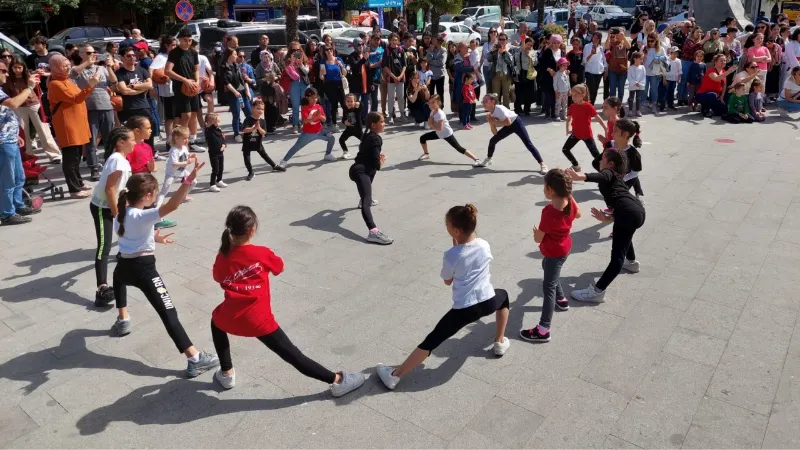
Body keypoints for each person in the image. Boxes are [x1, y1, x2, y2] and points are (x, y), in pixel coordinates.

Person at [211, 204, 366, 393]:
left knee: (215, 323)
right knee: (293, 355)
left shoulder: (223, 256)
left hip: (229, 317)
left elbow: (218, 277)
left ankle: (226, 373)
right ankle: (337, 380)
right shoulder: (261, 253)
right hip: (259, 321)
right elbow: (279, 267)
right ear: (252, 230)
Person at [376, 204, 511, 390]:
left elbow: (448, 281)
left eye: (447, 226)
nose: (446, 229)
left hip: (465, 309)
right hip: (488, 300)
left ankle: (395, 375)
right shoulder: (484, 244)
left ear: (456, 230)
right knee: (504, 297)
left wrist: (455, 251)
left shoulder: (451, 254)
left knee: (432, 340)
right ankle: (499, 342)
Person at [112, 169, 220, 378]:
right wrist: (187, 182)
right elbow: (172, 205)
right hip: (145, 270)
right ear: (147, 196)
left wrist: (155, 238)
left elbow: (132, 234)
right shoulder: (143, 215)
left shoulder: (121, 214)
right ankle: (194, 358)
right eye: (154, 193)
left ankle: (123, 318)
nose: (155, 197)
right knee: (168, 311)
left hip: (125, 265)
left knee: (118, 280)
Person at [566, 150, 644, 304]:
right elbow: (618, 200)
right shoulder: (616, 178)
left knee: (616, 258)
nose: (600, 161)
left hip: (628, 212)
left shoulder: (609, 173)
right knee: (624, 234)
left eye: (602, 159)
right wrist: (608, 217)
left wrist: (580, 177)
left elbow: (603, 176)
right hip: (634, 210)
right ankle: (632, 263)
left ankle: (597, 291)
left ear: (611, 164)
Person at [519, 169, 580, 342]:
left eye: (544, 186)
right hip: (565, 247)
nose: (543, 189)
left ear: (550, 190)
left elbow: (539, 238)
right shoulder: (569, 202)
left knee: (548, 287)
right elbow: (579, 214)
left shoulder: (549, 212)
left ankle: (543, 329)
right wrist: (570, 196)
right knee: (548, 268)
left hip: (554, 252)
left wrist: (536, 233)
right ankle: (561, 300)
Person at [89, 127, 133, 307]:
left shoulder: (120, 159)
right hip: (102, 207)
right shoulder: (117, 161)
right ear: (120, 142)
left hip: (113, 205)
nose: (135, 142)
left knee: (121, 236)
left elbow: (119, 188)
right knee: (104, 246)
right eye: (131, 139)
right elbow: (109, 189)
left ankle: (124, 259)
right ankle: (102, 288)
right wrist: (117, 215)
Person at [48, 54, 100, 198]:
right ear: (56, 67)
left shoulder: (67, 80)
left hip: (76, 122)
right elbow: (76, 98)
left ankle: (78, 182)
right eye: (64, 65)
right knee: (70, 158)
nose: (68, 67)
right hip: (67, 124)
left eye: (67, 64)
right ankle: (73, 189)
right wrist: (90, 85)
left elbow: (79, 96)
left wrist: (90, 85)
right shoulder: (55, 84)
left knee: (76, 156)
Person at [0, 58, 40, 226]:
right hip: (4, 143)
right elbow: (14, 103)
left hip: (9, 139)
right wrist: (29, 87)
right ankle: (7, 213)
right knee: (7, 179)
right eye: (3, 70)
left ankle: (17, 205)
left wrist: (15, 133)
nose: (6, 73)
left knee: (18, 176)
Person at [3, 57, 61, 164]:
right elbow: (8, 96)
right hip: (19, 107)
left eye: (19, 67)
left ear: (23, 67)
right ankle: (28, 157)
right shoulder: (8, 80)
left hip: (34, 105)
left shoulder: (29, 77)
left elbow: (38, 87)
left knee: (43, 130)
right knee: (23, 133)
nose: (17, 70)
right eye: (15, 67)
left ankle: (54, 155)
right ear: (11, 68)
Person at [69, 45, 116, 176]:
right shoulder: (78, 69)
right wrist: (87, 63)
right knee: (91, 140)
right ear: (82, 54)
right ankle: (93, 168)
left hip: (106, 105)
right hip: (89, 107)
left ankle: (109, 164)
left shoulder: (101, 68)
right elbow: (72, 74)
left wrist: (109, 66)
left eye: (94, 52)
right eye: (89, 53)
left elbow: (114, 82)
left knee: (109, 138)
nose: (93, 55)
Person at [348, 112, 392, 245]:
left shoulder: (367, 135)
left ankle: (364, 199)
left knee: (369, 177)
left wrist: (377, 157)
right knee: (367, 202)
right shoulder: (376, 139)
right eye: (382, 122)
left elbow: (368, 156)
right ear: (374, 125)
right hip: (361, 172)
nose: (384, 124)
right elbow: (376, 165)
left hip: (357, 169)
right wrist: (381, 161)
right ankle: (373, 232)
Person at [477, 94, 547, 172]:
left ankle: (542, 164)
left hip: (516, 122)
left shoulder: (499, 109)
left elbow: (508, 122)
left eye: (485, 101)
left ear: (493, 102)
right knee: (492, 140)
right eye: (483, 101)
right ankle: (489, 159)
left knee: (528, 143)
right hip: (508, 126)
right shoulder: (490, 114)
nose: (483, 103)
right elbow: (495, 133)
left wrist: (495, 122)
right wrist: (491, 123)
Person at [165, 28, 203, 153]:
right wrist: (185, 80)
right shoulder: (174, 53)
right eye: (185, 40)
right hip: (181, 87)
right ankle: (180, 141)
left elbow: (196, 69)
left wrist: (196, 81)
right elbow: (168, 71)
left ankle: (192, 141)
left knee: (194, 114)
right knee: (185, 115)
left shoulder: (193, 52)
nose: (188, 42)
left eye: (190, 40)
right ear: (180, 40)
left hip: (193, 86)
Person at [279, 87, 337, 168]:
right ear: (307, 97)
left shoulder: (318, 106)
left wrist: (320, 116)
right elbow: (305, 121)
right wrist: (315, 117)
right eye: (312, 97)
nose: (315, 99)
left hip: (320, 131)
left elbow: (324, 119)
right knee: (296, 147)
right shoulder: (305, 108)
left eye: (316, 97)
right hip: (308, 134)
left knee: (331, 138)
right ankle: (284, 161)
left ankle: (328, 154)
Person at [418, 94, 481, 165]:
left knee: (459, 148)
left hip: (446, 133)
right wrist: (430, 124)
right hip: (439, 133)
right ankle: (426, 154)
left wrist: (431, 124)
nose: (431, 105)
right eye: (429, 102)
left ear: (438, 102)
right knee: (422, 138)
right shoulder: (432, 112)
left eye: (433, 102)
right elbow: (433, 126)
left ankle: (477, 159)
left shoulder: (440, 114)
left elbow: (439, 128)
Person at [116, 46, 156, 153]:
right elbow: (124, 90)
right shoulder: (120, 73)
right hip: (129, 107)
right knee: (130, 132)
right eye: (129, 56)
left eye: (134, 55)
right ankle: (131, 153)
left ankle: (150, 152)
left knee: (148, 129)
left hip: (143, 105)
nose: (132, 57)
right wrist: (141, 88)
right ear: (122, 58)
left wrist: (133, 87)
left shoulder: (142, 70)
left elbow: (149, 84)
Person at [562, 84, 605, 171]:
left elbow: (598, 118)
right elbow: (568, 119)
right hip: (575, 134)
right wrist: (568, 129)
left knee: (595, 154)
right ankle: (576, 166)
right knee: (565, 149)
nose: (573, 97)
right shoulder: (572, 106)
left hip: (587, 135)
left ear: (583, 94)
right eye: (572, 95)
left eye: (575, 95)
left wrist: (606, 128)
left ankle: (605, 169)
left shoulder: (588, 106)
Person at [26, 36, 56, 144]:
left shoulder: (52, 57)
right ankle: (33, 137)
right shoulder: (31, 58)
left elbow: (58, 72)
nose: (35, 46)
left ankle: (54, 134)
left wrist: (47, 74)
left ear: (44, 44)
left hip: (51, 88)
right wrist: (35, 72)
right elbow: (26, 72)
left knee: (52, 112)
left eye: (37, 44)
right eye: (34, 44)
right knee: (39, 113)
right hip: (37, 89)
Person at [319, 45, 347, 127]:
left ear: (333, 50)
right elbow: (321, 77)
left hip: (339, 83)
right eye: (327, 50)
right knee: (333, 105)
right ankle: (334, 123)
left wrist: (341, 65)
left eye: (330, 49)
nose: (329, 51)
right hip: (329, 85)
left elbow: (345, 73)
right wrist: (321, 73)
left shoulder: (338, 59)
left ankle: (344, 120)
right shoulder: (323, 62)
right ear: (324, 52)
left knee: (343, 104)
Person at [383, 33, 407, 123]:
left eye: (396, 39)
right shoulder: (387, 51)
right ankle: (390, 116)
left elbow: (404, 65)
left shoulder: (401, 50)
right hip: (391, 78)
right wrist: (394, 77)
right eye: (392, 40)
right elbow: (385, 66)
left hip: (401, 78)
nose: (394, 41)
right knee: (391, 98)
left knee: (401, 97)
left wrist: (400, 76)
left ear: (398, 40)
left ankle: (402, 114)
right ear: (389, 40)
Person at [285, 50, 310, 134]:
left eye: (299, 56)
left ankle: (304, 123)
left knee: (304, 105)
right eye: (295, 56)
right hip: (294, 85)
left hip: (304, 84)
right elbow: (290, 73)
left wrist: (301, 64)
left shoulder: (304, 63)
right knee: (295, 106)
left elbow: (306, 71)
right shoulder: (289, 65)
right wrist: (292, 62)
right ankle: (295, 125)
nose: (297, 58)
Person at [488, 33, 516, 108]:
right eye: (500, 39)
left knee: (506, 94)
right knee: (495, 94)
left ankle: (506, 111)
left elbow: (509, 62)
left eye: (503, 39)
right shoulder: (495, 48)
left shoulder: (510, 49)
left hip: (506, 75)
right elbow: (489, 59)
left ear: (506, 40)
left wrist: (503, 53)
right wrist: (491, 51)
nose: (501, 41)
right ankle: (496, 111)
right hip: (496, 74)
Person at [347, 38, 370, 121]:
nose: (361, 46)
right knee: (354, 103)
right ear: (355, 46)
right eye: (358, 44)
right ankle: (353, 119)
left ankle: (364, 119)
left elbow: (368, 69)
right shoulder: (352, 56)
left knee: (365, 103)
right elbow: (355, 67)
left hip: (365, 83)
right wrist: (364, 59)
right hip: (356, 84)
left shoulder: (364, 55)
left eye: (362, 44)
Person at [643, 32, 668, 112]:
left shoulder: (661, 49)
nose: (650, 43)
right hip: (645, 72)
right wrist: (644, 56)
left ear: (656, 41)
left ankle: (654, 105)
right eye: (648, 41)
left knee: (654, 90)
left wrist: (664, 75)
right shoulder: (645, 48)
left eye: (652, 41)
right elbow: (639, 59)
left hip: (655, 73)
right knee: (644, 90)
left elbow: (665, 62)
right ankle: (642, 105)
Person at [606, 28, 630, 101]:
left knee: (621, 89)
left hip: (623, 70)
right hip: (612, 70)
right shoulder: (612, 41)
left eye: (620, 32)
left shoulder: (625, 42)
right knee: (612, 89)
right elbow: (606, 47)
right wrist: (608, 35)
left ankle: (619, 105)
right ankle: (612, 105)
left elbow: (628, 46)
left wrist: (623, 37)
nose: (618, 34)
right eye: (617, 33)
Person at [514, 37, 537, 116]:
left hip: (530, 74)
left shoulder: (533, 52)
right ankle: (518, 109)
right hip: (521, 73)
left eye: (531, 45)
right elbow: (516, 60)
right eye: (528, 45)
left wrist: (530, 57)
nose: (529, 47)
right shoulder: (519, 51)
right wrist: (523, 51)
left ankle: (527, 109)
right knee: (519, 92)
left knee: (529, 92)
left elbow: (536, 63)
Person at [204, 113, 227, 192]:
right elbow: (209, 128)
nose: (219, 123)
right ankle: (212, 185)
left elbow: (222, 138)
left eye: (219, 121)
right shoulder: (208, 131)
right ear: (211, 123)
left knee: (221, 168)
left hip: (220, 152)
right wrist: (210, 124)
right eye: (217, 121)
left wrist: (224, 144)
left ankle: (219, 180)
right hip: (213, 154)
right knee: (215, 169)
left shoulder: (218, 130)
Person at [583, 32, 606, 105]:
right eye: (594, 37)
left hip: (599, 71)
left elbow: (603, 59)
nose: (595, 39)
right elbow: (584, 60)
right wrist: (591, 54)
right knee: (590, 89)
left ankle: (591, 104)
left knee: (595, 90)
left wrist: (605, 69)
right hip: (589, 71)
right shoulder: (587, 46)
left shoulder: (601, 47)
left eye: (597, 38)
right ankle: (588, 104)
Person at [338, 93, 362, 158]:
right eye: (348, 101)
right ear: (345, 102)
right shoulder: (345, 109)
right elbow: (343, 118)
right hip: (349, 129)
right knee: (341, 140)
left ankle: (366, 152)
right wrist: (344, 121)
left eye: (351, 101)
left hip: (358, 130)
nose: (349, 103)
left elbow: (362, 105)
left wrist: (359, 103)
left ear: (355, 101)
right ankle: (346, 151)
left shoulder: (356, 108)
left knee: (365, 141)